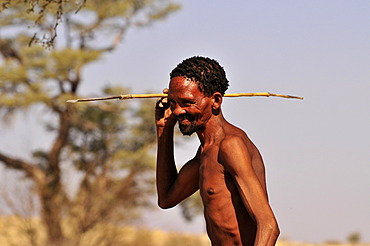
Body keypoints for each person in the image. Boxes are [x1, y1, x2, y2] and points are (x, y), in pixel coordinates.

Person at [155, 56, 280, 246]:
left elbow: (269, 226)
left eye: (187, 102)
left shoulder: (231, 146)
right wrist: (164, 129)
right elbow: (166, 199)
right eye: (173, 103)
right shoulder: (204, 154)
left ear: (215, 100)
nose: (178, 111)